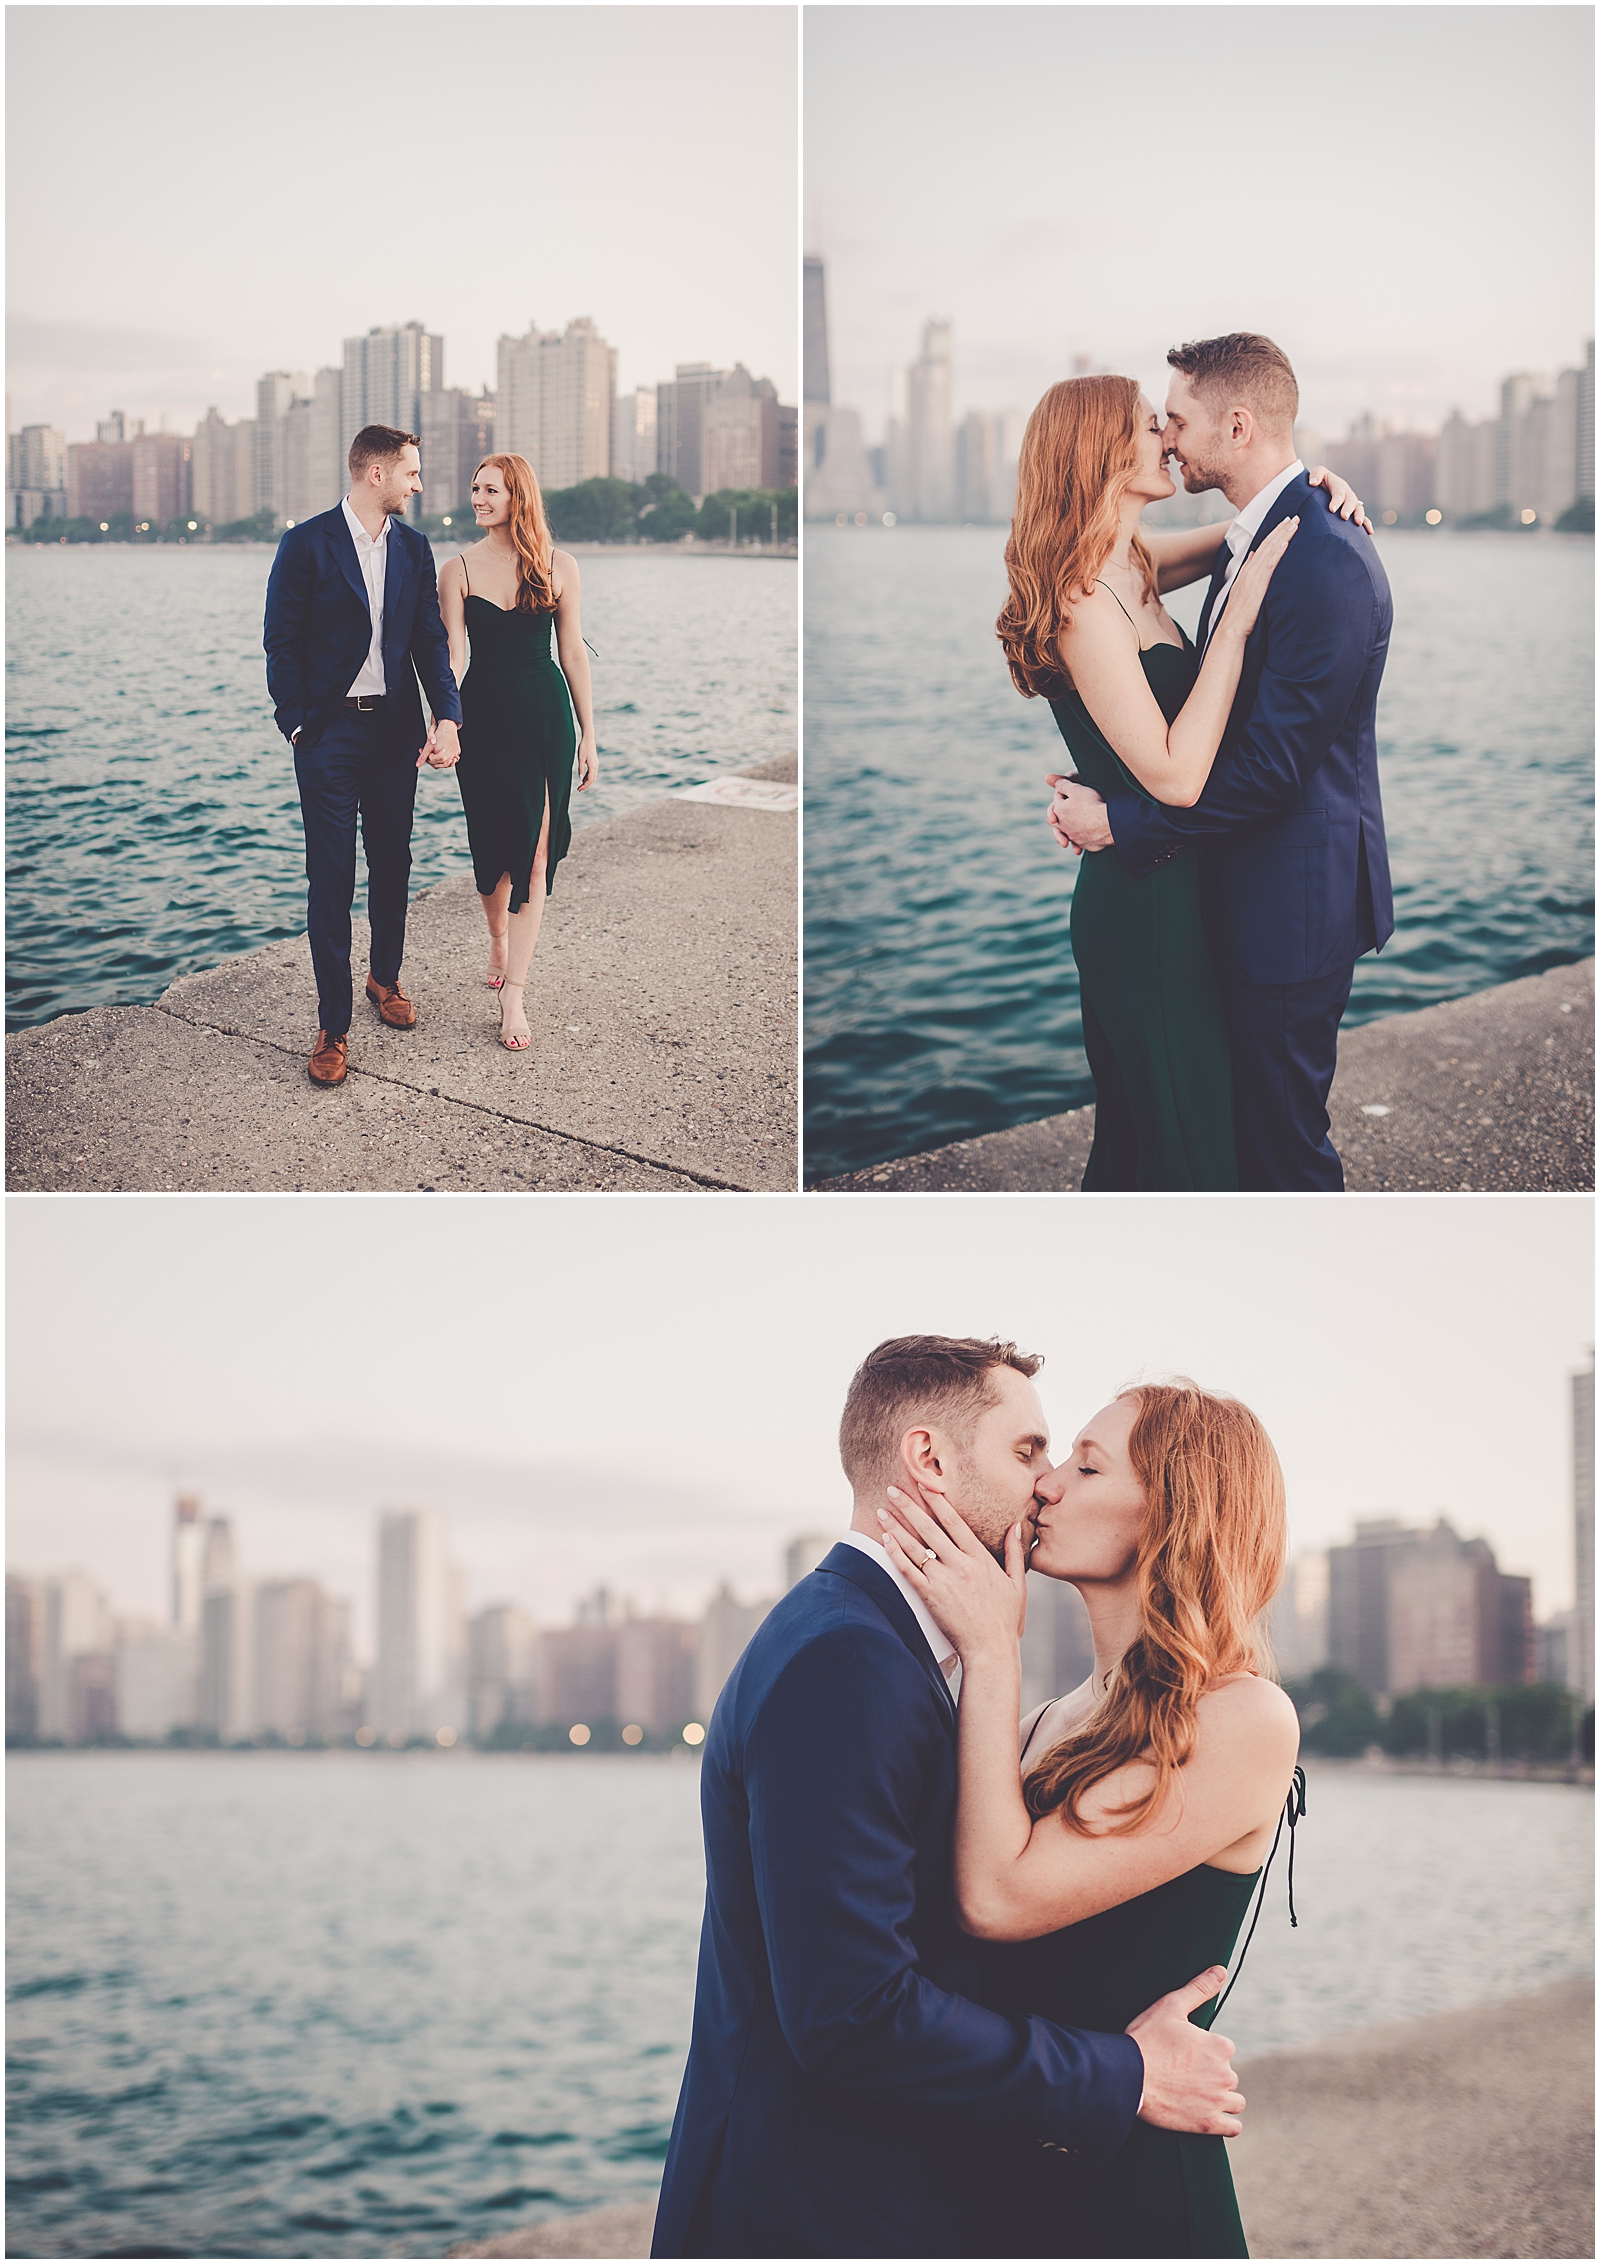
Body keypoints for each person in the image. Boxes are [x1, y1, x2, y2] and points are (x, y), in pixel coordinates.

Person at [653, 1337, 1250, 2262]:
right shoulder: (846, 1658)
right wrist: (1124, 2073)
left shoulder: (879, 1647)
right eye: (1030, 1453)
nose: (1047, 1484)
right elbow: (854, 2008)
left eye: (1072, 1462)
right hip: (823, 2216)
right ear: (929, 1459)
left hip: (999, 2195)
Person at [877, 1378, 1301, 2259]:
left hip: (1129, 2200)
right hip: (998, 2182)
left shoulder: (1245, 1717)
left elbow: (997, 1900)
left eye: (1087, 1464)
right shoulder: (1046, 1722)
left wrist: (996, 1648)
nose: (1048, 1484)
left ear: (1170, 1513)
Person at [998, 371, 1373, 1189]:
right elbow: (1173, 777)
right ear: (1099, 454)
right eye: (1147, 427)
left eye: (1167, 423)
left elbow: (1247, 535)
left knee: (1186, 1128)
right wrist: (1232, 629)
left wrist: (1312, 486)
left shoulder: (1129, 560)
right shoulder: (1082, 599)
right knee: (1171, 1140)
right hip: (1145, 915)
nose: (1166, 438)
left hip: (1183, 888)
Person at [263, 424, 463, 1088]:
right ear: (375, 474)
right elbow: (280, 639)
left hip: (394, 732)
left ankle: (385, 976)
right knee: (331, 876)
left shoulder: (414, 546)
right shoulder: (306, 543)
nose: (419, 483)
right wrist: (295, 723)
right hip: (327, 734)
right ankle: (332, 1026)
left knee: (394, 862)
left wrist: (448, 717)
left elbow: (431, 641)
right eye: (411, 471)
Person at [436, 454, 597, 1052]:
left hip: (545, 719)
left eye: (490, 490)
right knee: (491, 852)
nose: (477, 498)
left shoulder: (560, 566)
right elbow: (454, 656)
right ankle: (497, 937)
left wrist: (590, 733)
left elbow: (573, 653)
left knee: (535, 858)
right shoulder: (455, 570)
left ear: (517, 497)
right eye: (474, 488)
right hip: (483, 719)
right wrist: (443, 722)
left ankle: (516, 994)